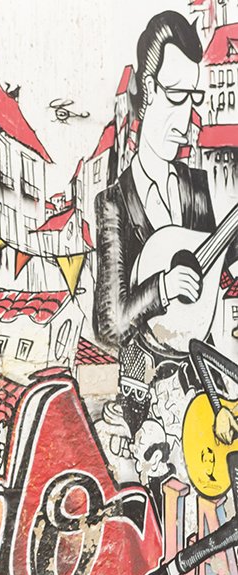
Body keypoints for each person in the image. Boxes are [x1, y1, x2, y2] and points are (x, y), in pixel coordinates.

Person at [94, 10, 230, 433]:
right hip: (144, 398)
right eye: (176, 95)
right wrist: (163, 288)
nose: (187, 116)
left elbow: (218, 265)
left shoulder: (197, 187)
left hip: (204, 386)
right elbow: (110, 321)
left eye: (194, 97)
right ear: (148, 89)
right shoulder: (115, 202)